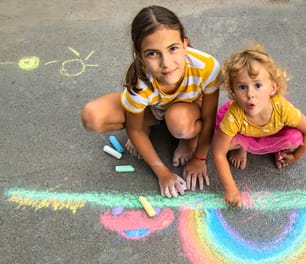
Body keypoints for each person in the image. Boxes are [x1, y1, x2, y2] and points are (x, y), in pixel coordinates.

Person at [81, 5, 222, 197]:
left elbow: (209, 116)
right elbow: (134, 128)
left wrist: (199, 157)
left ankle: (188, 138)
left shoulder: (207, 66)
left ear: (185, 44)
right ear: (140, 56)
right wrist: (162, 173)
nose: (166, 63)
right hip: (155, 111)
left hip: (188, 111)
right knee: (92, 117)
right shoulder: (139, 83)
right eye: (153, 53)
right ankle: (149, 129)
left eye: (173, 49)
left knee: (179, 122)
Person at [212, 45, 306, 207]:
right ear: (233, 92)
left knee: (295, 139)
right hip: (245, 133)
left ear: (273, 88)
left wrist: (296, 155)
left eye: (257, 85)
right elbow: (218, 153)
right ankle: (242, 148)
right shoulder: (234, 115)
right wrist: (231, 189)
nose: (250, 94)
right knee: (223, 140)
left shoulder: (281, 108)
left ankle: (279, 150)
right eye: (242, 87)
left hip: (272, 132)